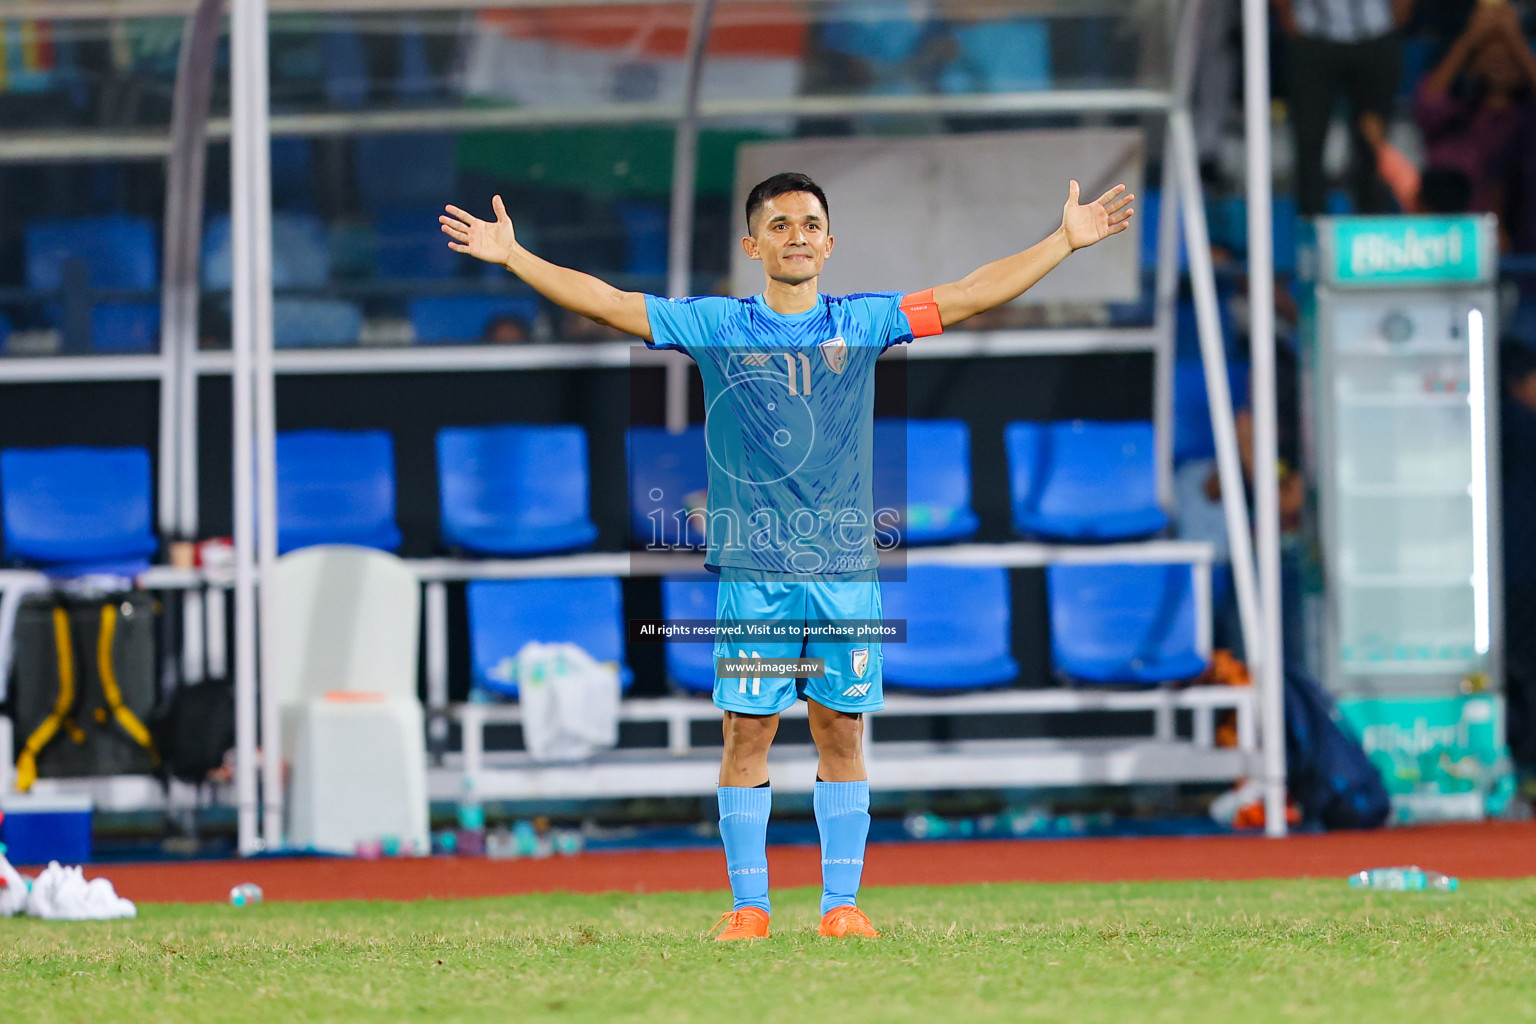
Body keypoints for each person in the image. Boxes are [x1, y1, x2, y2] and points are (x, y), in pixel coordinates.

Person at [439, 170, 1133, 941]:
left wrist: (1064, 242)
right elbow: (611, 303)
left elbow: (970, 293)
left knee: (841, 730)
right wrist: (516, 258)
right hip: (753, 579)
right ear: (752, 244)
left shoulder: (867, 321)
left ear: (829, 244)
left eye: (809, 224)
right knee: (748, 733)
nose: (796, 235)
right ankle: (749, 910)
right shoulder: (717, 324)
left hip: (844, 577)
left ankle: (841, 907)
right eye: (780, 225)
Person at [1274, 0, 1416, 216]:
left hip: (1375, 35)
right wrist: (1287, 16)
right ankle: (1312, 231)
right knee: (1308, 142)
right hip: (1312, 36)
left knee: (1373, 143)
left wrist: (1398, 16)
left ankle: (1373, 226)